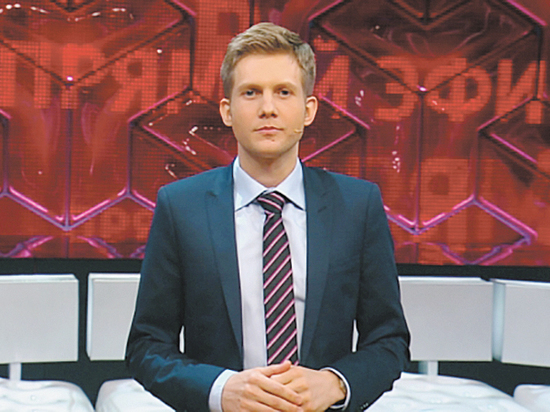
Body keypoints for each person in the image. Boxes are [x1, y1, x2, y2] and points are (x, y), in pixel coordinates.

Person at [126, 22, 409, 412]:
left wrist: (334, 384)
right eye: (251, 92)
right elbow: (147, 346)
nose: (268, 108)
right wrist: (221, 390)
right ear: (227, 111)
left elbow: (389, 341)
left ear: (308, 110)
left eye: (284, 92)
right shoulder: (181, 207)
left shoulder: (357, 206)